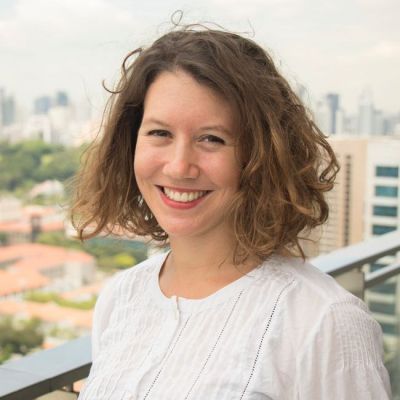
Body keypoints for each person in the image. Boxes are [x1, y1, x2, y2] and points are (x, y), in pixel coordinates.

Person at [73, 25, 391, 399]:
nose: (178, 166)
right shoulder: (120, 299)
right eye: (160, 133)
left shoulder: (324, 322)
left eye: (212, 139)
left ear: (261, 157)